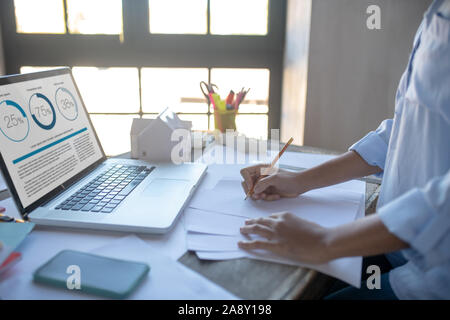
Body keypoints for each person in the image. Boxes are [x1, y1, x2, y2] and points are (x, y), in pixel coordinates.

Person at [238, 0, 450, 300]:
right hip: (392, 248)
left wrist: (325, 240)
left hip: (432, 279)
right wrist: (299, 181)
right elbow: (402, 131)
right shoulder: (435, 12)